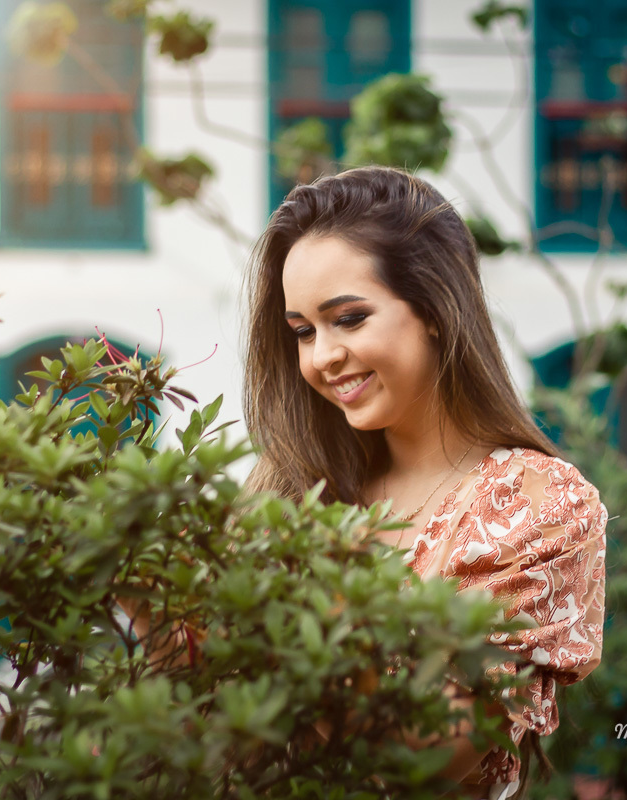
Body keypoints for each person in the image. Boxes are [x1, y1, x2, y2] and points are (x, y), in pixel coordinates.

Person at [241, 165, 607, 800]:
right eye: (302, 331)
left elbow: (431, 756)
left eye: (349, 318)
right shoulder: (295, 491)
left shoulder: (537, 505)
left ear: (435, 308)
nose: (321, 356)